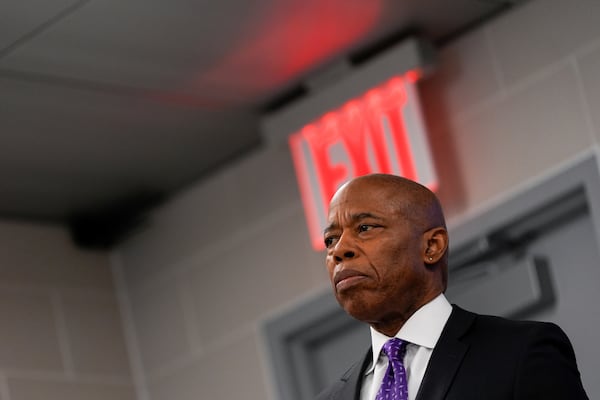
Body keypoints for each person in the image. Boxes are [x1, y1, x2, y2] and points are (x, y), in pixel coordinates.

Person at [316, 173, 588, 400]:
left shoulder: (520, 353)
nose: (339, 250)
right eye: (330, 240)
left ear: (431, 246)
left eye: (364, 228)